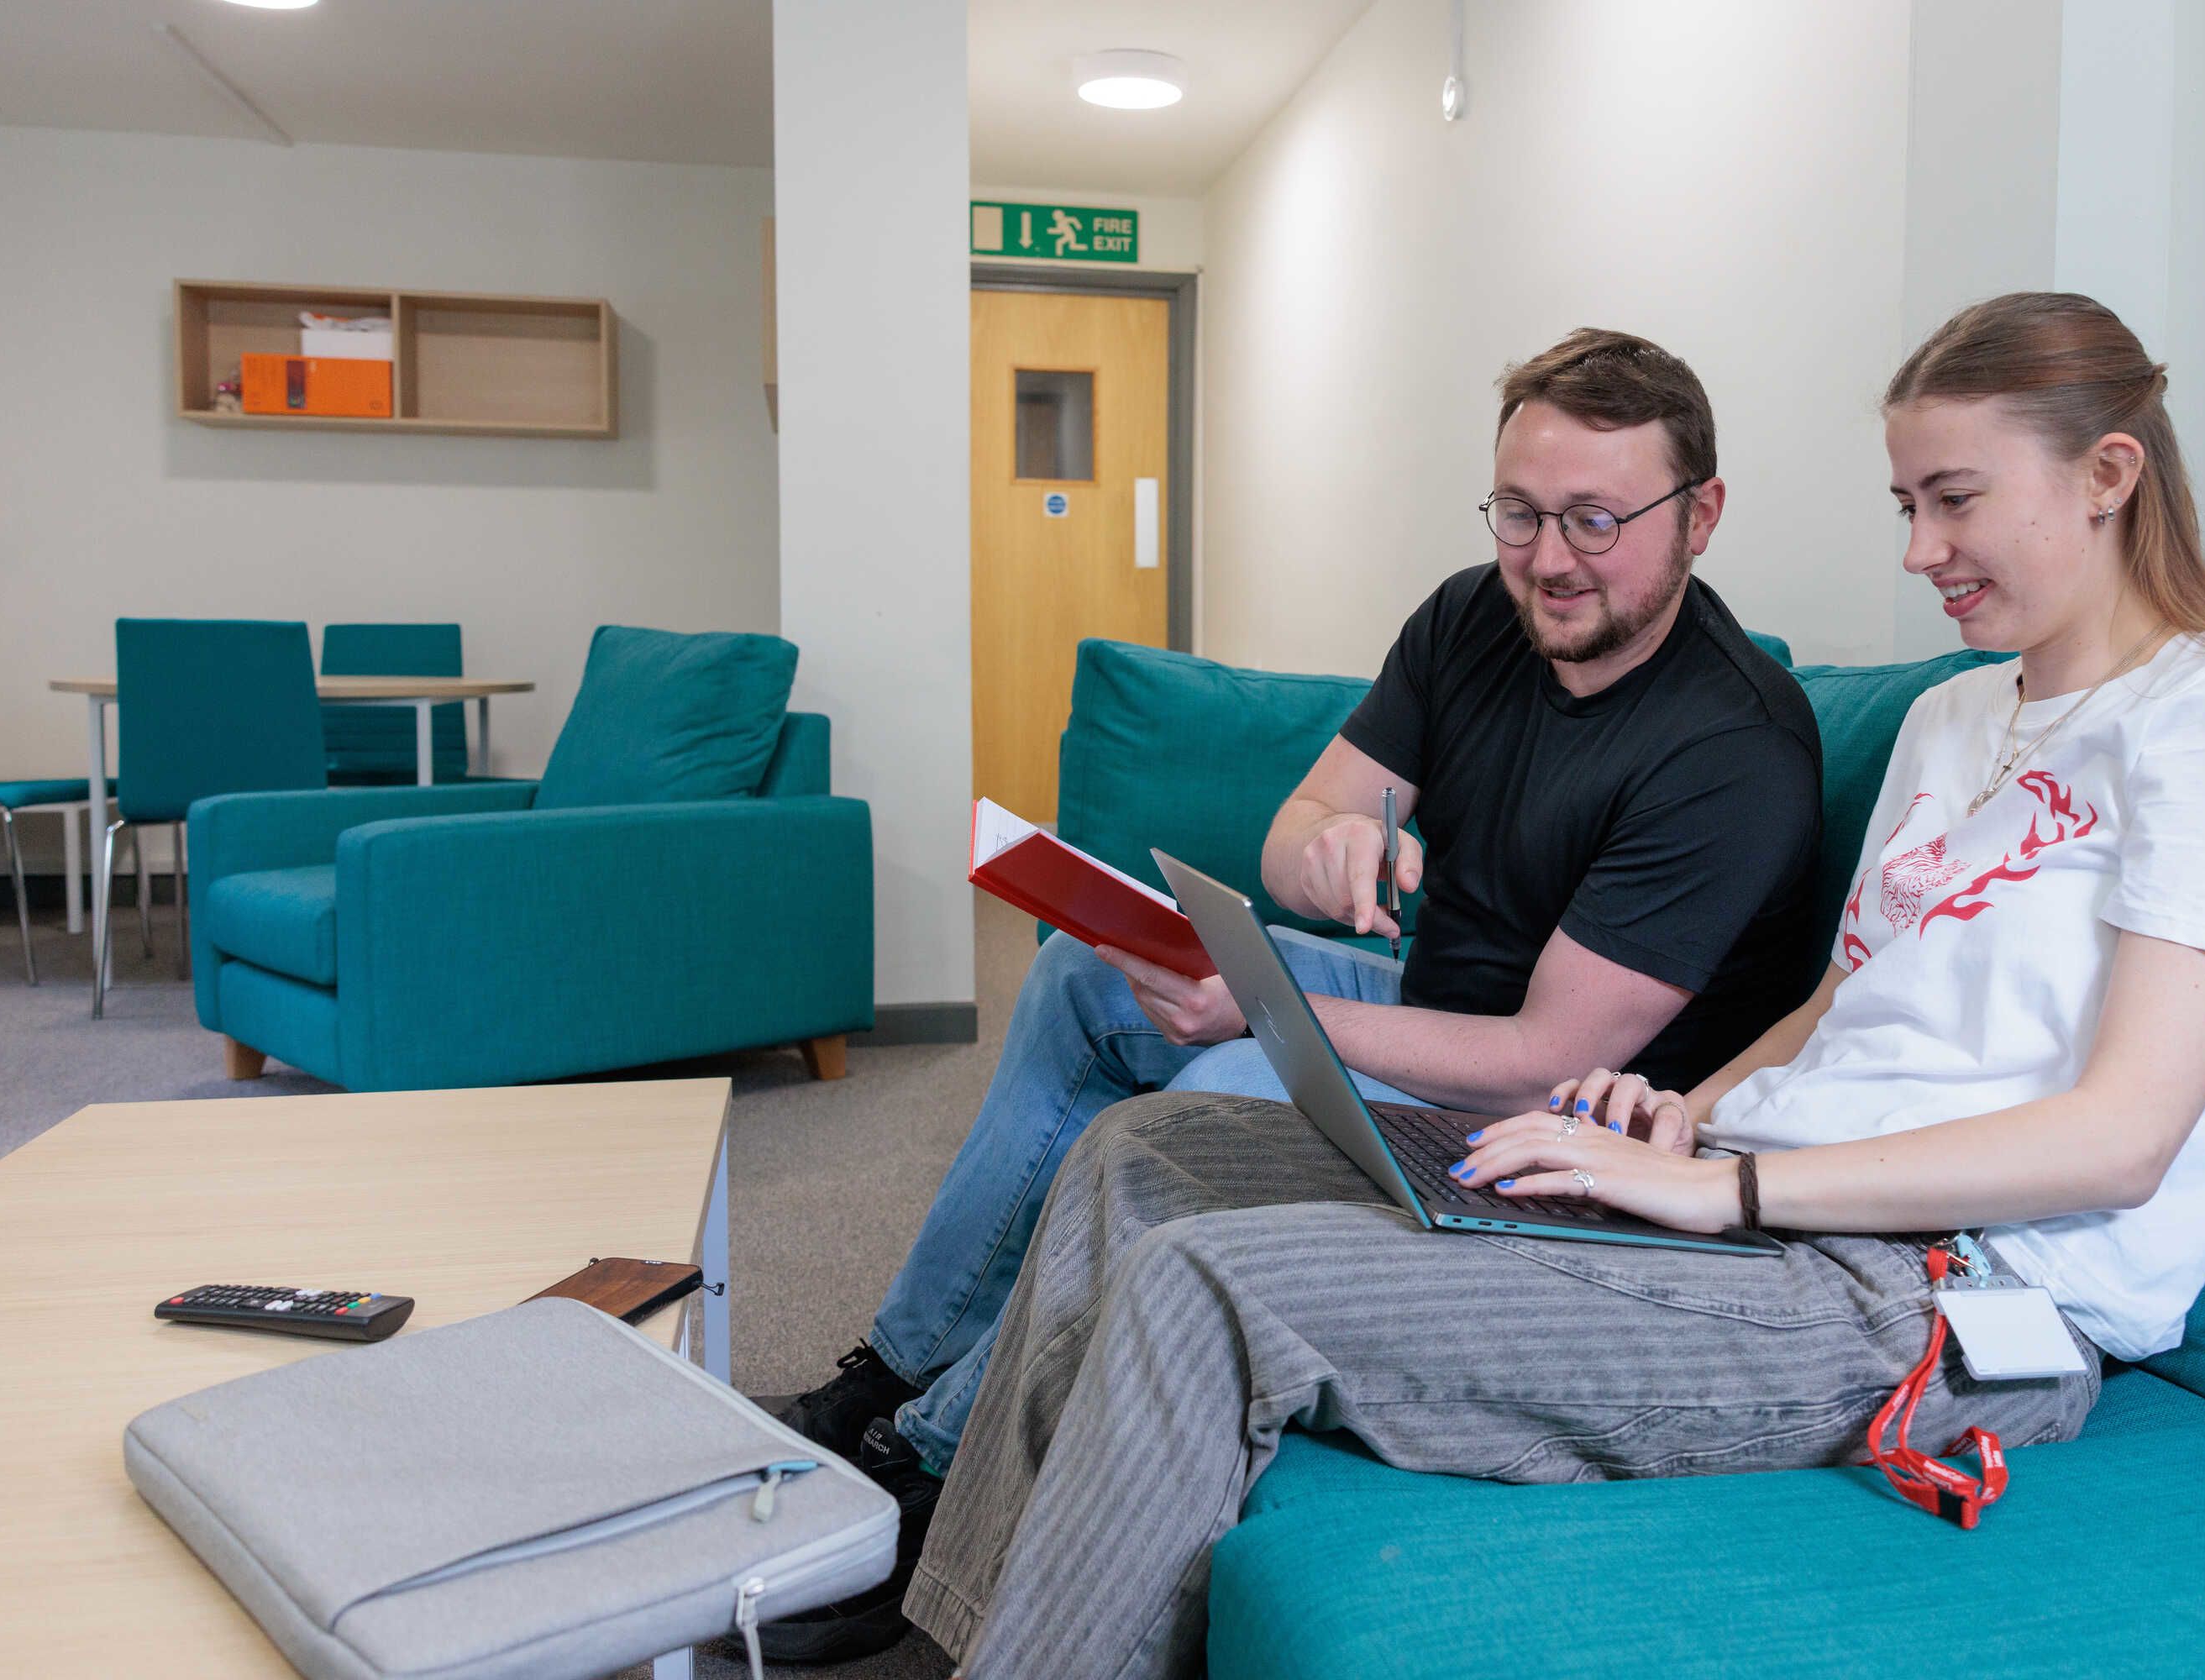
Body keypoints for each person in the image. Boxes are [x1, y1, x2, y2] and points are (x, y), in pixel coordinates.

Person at [898, 292, 2205, 1680]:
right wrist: (1678, 1116)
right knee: (1143, 1149)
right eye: (1908, 505)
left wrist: (1724, 1194)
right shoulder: (1954, 719)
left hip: (1952, 1299)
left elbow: (2120, 1140)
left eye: (1955, 501)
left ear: (2108, 473)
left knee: (1212, 1287)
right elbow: (1845, 1001)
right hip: (1753, 1195)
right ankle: (962, 1631)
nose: (1919, 549)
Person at [755, 329, 1825, 1661]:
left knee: (1210, 1090)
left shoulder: (1734, 745)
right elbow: (1298, 819)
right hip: (1425, 1008)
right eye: (1519, 513)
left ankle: (931, 1469)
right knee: (1091, 972)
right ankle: (896, 1365)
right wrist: (1322, 844)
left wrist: (1264, 1016)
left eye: (1596, 520)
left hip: (1561, 1115)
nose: (1549, 560)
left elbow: (1535, 1054)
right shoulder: (1470, 618)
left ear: (1700, 515)